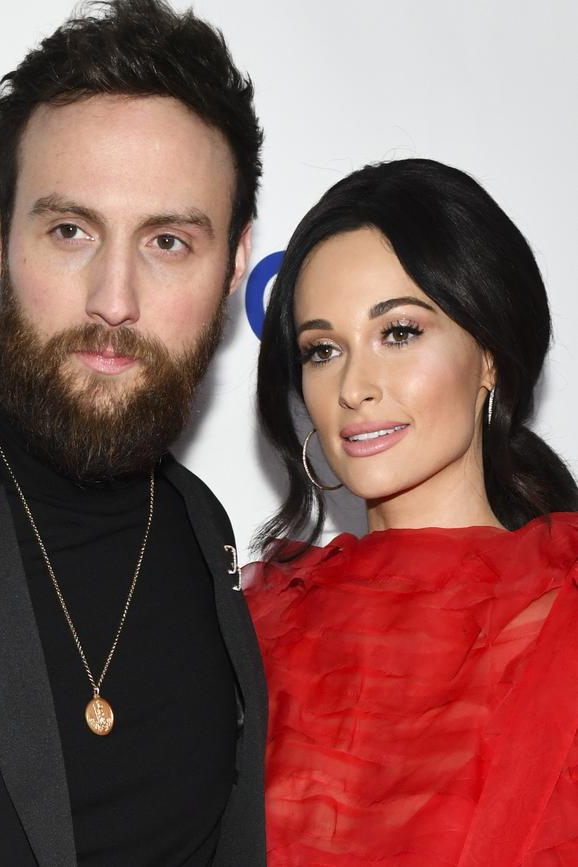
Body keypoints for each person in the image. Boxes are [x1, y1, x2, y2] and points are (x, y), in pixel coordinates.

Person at [0, 1, 267, 864]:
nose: (113, 299)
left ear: (233, 264)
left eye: (167, 241)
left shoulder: (206, 533)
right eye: (71, 230)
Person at [246, 158, 578, 866]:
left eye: (398, 332)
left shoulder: (566, 601)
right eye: (323, 349)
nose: (355, 386)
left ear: (488, 354)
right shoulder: (257, 628)